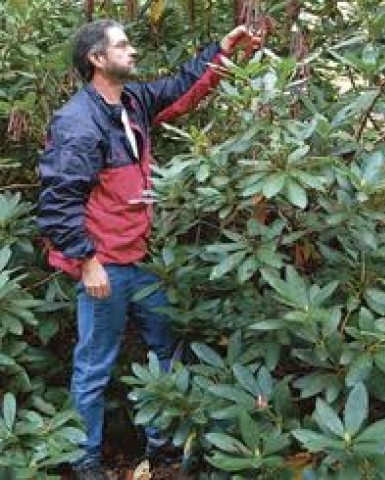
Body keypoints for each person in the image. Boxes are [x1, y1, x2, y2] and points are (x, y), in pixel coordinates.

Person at [37, 18, 260, 480]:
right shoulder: (78, 123)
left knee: (166, 349)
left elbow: (181, 87)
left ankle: (163, 445)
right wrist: (88, 262)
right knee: (95, 366)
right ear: (97, 59)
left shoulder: (133, 101)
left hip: (142, 259)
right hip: (104, 266)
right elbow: (58, 201)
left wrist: (221, 47)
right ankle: (85, 461)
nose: (132, 50)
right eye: (122, 45)